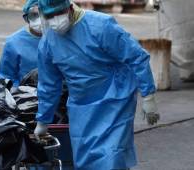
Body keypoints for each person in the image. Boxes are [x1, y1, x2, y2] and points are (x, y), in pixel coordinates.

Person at [34, 0, 160, 169]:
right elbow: (49, 85)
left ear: (70, 8)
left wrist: (148, 95)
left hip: (115, 98)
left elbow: (136, 56)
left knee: (111, 155)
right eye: (50, 15)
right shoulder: (48, 42)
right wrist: (43, 120)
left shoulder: (101, 26)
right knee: (85, 159)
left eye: (59, 13)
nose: (56, 20)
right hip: (81, 106)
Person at [0, 0, 41, 87]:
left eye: (44, 15)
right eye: (35, 15)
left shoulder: (57, 38)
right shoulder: (14, 42)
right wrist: (19, 93)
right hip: (25, 96)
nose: (40, 20)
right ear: (26, 17)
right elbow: (6, 77)